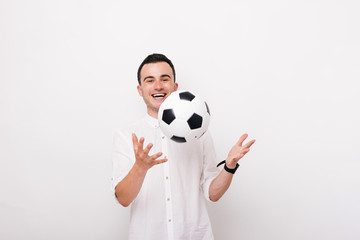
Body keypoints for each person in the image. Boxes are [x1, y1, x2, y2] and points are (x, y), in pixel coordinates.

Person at [112, 53, 256, 240]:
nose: (158, 86)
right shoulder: (125, 136)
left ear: (175, 87)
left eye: (165, 79)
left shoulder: (198, 132)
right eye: (150, 80)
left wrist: (229, 166)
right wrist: (140, 168)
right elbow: (123, 199)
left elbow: (213, 194)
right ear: (140, 90)